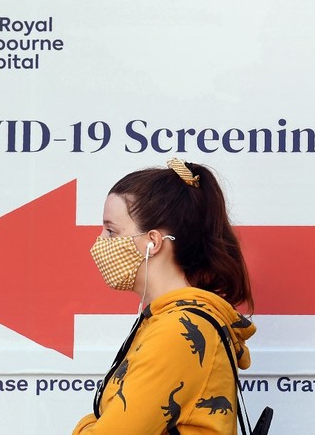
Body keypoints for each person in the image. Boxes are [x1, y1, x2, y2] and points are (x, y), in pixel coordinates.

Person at [72, 158, 256, 435]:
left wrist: (89, 424)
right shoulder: (166, 319)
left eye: (111, 231)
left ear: (153, 242)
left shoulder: (175, 330)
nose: (100, 242)